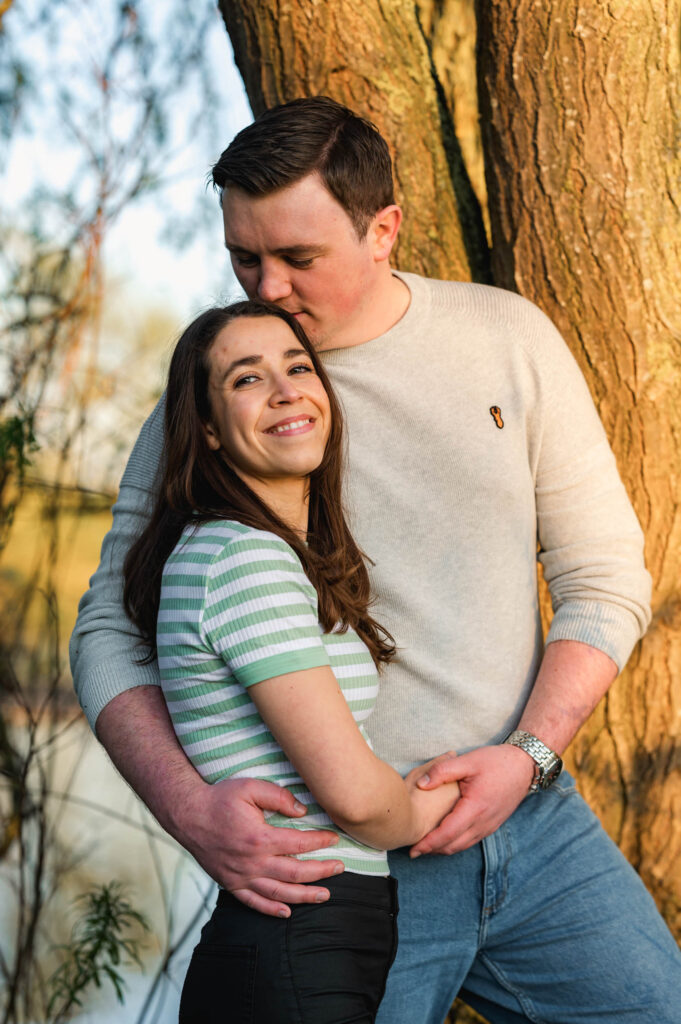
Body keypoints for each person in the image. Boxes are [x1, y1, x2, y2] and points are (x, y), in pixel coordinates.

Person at [71, 97, 681, 1022]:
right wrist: (190, 812)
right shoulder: (217, 401)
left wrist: (529, 755)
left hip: (535, 821)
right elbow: (110, 626)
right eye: (245, 256)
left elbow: (604, 577)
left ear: (382, 229)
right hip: (335, 872)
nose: (266, 286)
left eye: (298, 258)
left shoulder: (506, 339)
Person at [121, 299, 459, 1021]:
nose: (284, 391)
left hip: (310, 940)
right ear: (206, 429)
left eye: (297, 367)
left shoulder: (262, 555)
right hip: (299, 942)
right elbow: (354, 797)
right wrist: (456, 796)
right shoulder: (241, 558)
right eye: (246, 379)